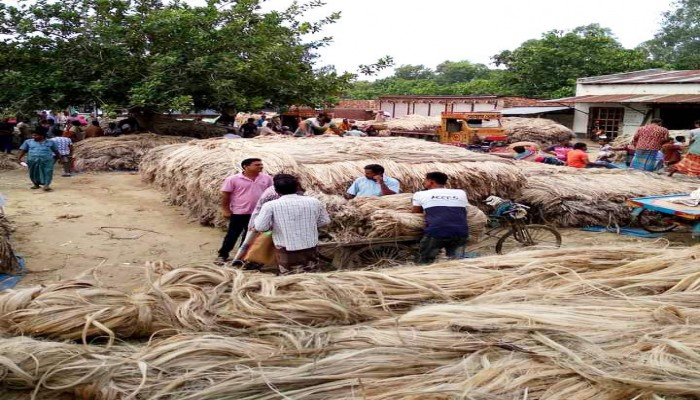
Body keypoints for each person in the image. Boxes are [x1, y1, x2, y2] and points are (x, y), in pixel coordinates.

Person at [254, 174, 330, 274]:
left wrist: (273, 227)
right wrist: (309, 225)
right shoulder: (314, 201)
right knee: (311, 275)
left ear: (276, 191)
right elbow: (325, 221)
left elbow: (261, 227)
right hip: (310, 245)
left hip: (285, 247)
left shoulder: (270, 205)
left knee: (290, 276)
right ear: (297, 187)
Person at [215, 158, 273, 264]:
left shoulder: (267, 178)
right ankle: (223, 254)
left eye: (261, 164)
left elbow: (271, 193)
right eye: (257, 165)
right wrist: (225, 209)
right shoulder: (233, 179)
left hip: (257, 213)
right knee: (232, 235)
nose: (261, 166)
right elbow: (225, 195)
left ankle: (243, 257)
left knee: (250, 236)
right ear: (246, 166)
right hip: (239, 212)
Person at [411, 172, 469, 264]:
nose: (424, 182)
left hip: (437, 231)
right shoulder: (461, 193)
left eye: (425, 180)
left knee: (425, 262)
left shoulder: (419, 194)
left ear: (431, 182)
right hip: (461, 231)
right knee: (457, 263)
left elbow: (416, 213)